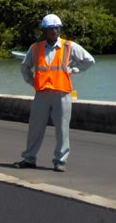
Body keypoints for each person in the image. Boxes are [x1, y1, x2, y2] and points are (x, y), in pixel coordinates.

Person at [14, 13, 94, 172]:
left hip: (62, 92)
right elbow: (25, 67)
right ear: (44, 31)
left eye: (57, 28)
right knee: (35, 127)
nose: (55, 31)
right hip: (42, 93)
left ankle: (60, 160)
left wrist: (75, 70)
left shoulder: (69, 46)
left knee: (62, 128)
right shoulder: (35, 48)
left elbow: (89, 60)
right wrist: (33, 82)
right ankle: (29, 159)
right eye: (51, 29)